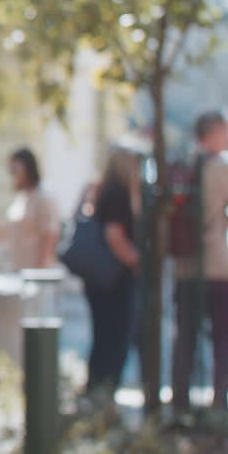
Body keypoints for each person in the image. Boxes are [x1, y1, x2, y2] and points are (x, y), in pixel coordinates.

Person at [171, 108, 228, 414]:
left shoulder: (180, 166)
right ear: (215, 132)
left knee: (185, 339)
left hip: (185, 267)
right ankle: (220, 404)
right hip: (218, 266)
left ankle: (180, 402)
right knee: (223, 341)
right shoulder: (224, 169)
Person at [84, 146, 141, 400]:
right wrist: (136, 261)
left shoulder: (102, 190)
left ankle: (97, 392)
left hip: (98, 278)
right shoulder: (118, 194)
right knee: (114, 338)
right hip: (113, 279)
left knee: (102, 336)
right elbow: (114, 235)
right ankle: (104, 394)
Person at [6, 147, 61, 271]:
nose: (12, 174)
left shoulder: (44, 196)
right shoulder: (22, 197)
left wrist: (40, 271)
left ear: (28, 168)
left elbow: (50, 235)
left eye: (15, 169)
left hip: (37, 274)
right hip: (19, 268)